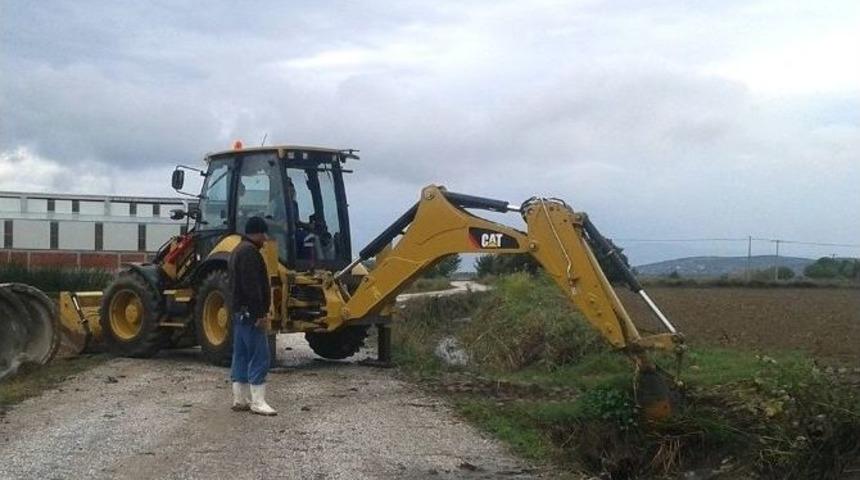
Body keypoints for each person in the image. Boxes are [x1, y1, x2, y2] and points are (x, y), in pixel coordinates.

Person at [229, 216, 277, 416]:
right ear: (257, 233)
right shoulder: (250, 253)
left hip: (240, 312)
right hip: (251, 314)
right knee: (259, 355)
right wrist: (260, 313)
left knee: (240, 354)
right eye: (264, 233)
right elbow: (252, 286)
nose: (265, 238)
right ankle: (258, 402)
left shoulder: (237, 250)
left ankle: (240, 399)